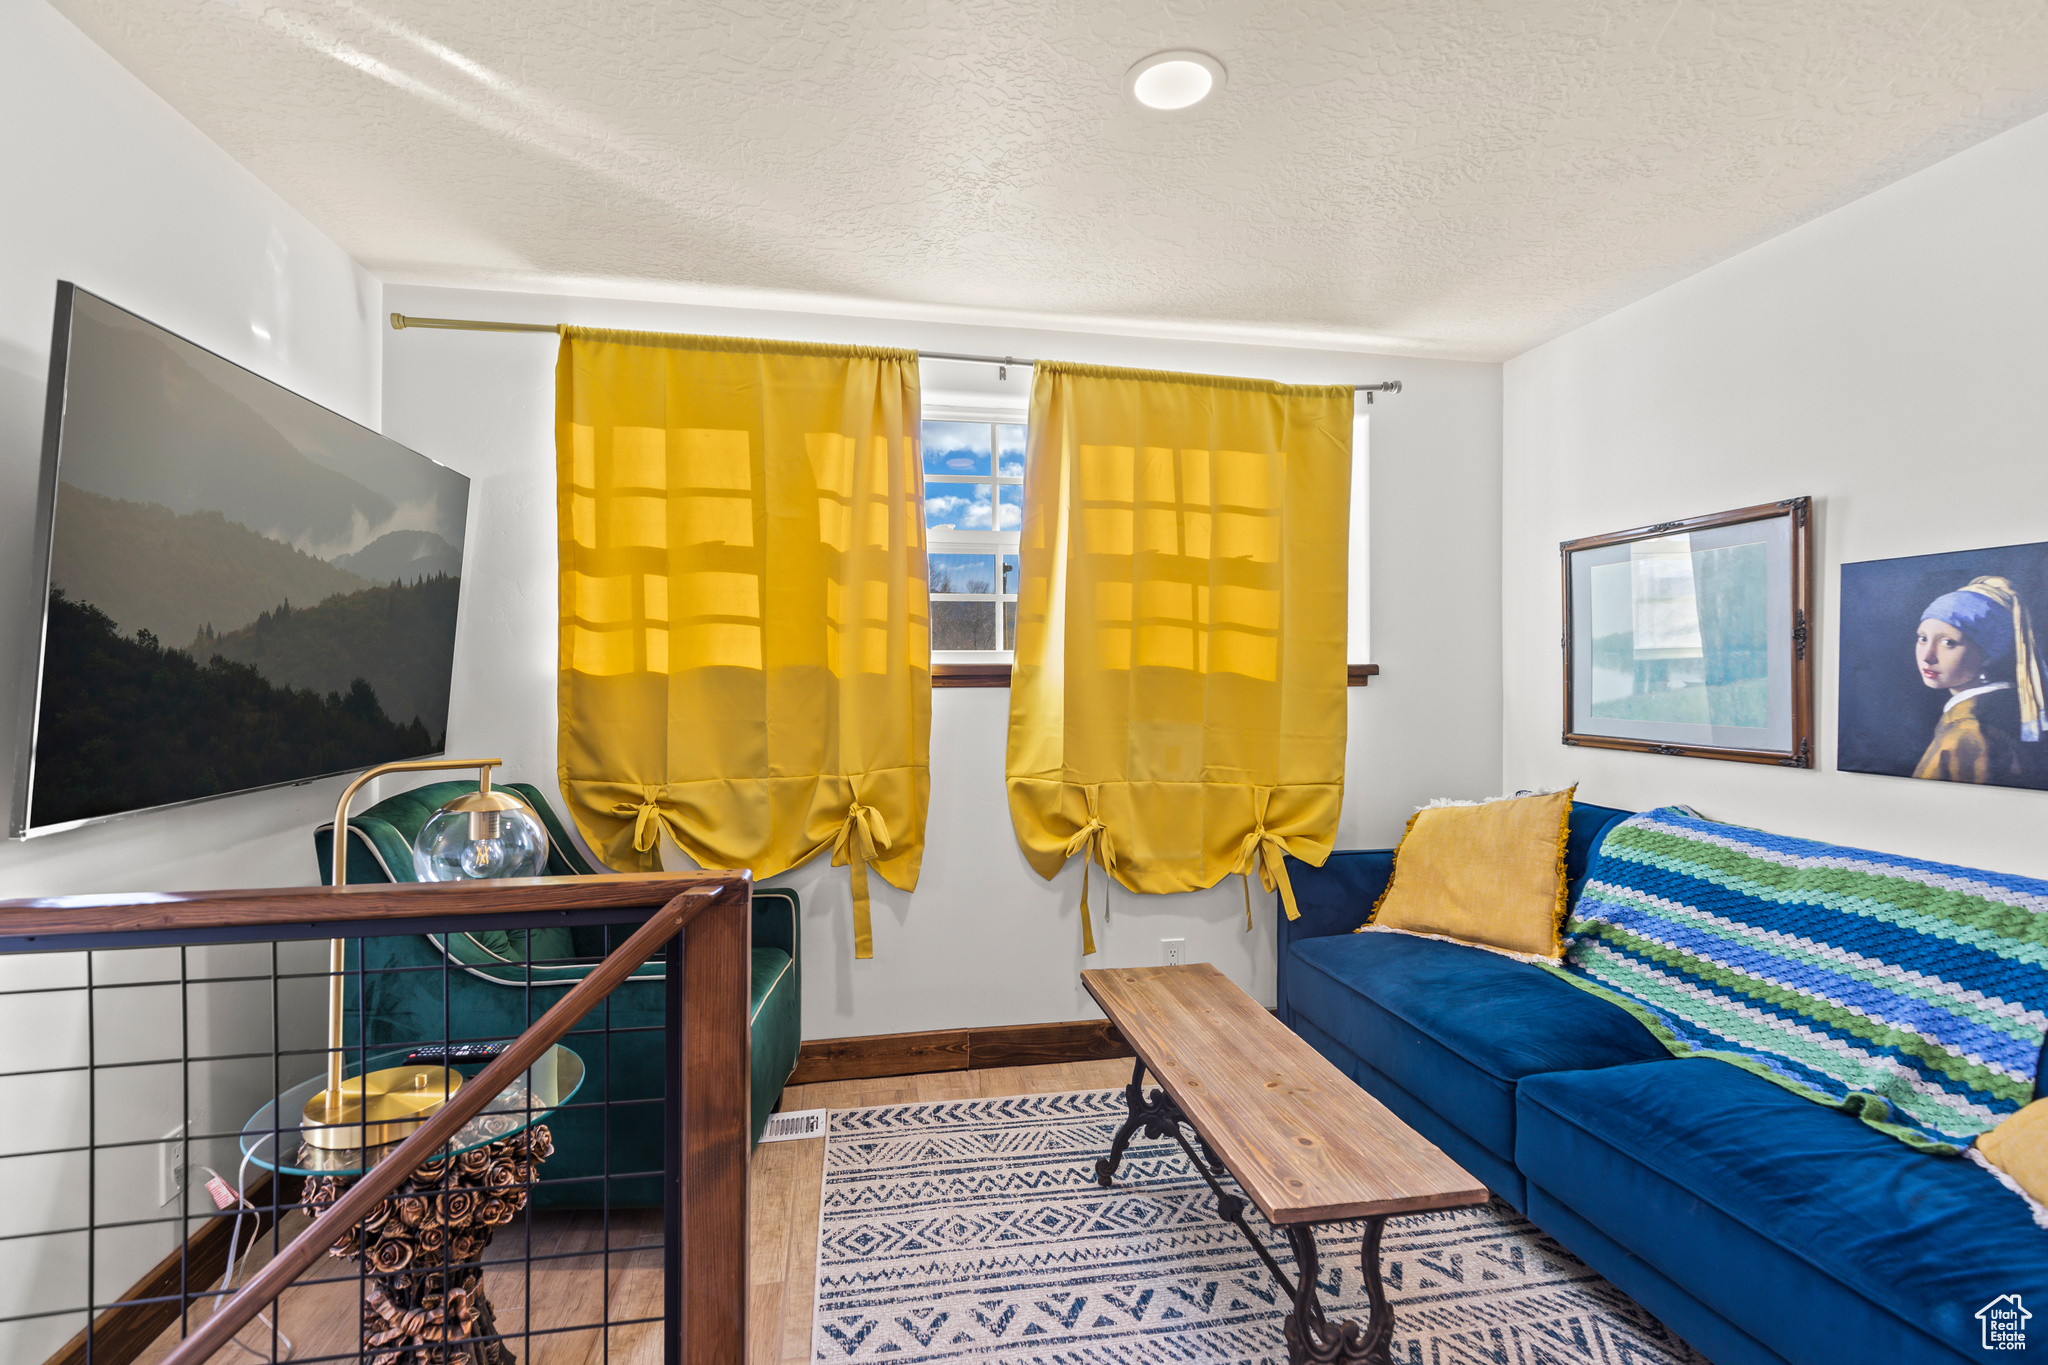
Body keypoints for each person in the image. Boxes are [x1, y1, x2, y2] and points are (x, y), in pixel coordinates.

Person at [1911, 575, 2046, 784]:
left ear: (1988, 654)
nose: (1927, 656)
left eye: (1948, 642)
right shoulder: (2003, 708)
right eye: (1923, 639)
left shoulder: (1968, 731)